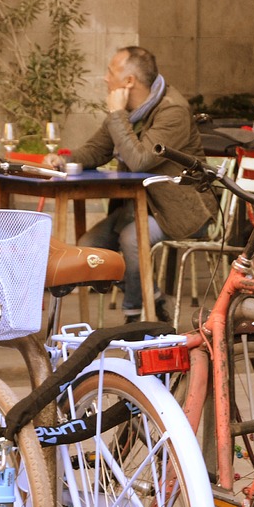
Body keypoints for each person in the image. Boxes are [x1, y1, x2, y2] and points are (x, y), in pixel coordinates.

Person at [50, 45, 217, 322]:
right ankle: (154, 298)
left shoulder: (172, 110)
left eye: (110, 72)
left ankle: (134, 317)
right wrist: (63, 159)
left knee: (131, 238)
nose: (105, 78)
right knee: (89, 245)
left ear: (129, 81)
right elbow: (96, 150)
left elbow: (139, 159)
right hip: (140, 207)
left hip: (180, 209)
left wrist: (117, 116)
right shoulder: (128, 110)